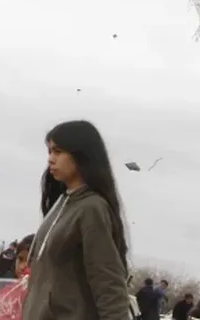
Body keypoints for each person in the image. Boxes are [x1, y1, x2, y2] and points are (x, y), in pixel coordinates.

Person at [22, 120, 130, 320]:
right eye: (49, 152)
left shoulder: (92, 208)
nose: (50, 159)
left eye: (58, 151)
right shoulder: (61, 203)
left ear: (81, 155)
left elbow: (107, 281)